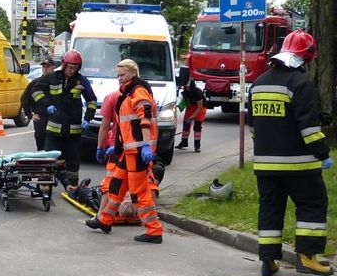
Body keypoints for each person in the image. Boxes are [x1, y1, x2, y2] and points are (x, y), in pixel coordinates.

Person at [247, 29, 333, 276]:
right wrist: (323, 153)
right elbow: (308, 130)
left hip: (265, 166)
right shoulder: (300, 83)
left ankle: (268, 260)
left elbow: (255, 125)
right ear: (307, 56)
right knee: (312, 204)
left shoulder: (258, 83)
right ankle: (308, 257)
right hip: (299, 166)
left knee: (270, 208)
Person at [86, 59, 163, 243]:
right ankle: (105, 220)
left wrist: (146, 145)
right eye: (118, 75)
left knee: (139, 193)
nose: (119, 78)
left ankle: (154, 231)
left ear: (133, 73)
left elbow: (145, 117)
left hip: (137, 152)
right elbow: (127, 125)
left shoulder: (138, 91)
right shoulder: (128, 92)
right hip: (128, 150)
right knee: (116, 186)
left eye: (123, 75)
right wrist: (119, 145)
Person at [31, 49, 97, 190]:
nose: (72, 71)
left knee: (73, 161)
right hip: (53, 130)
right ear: (64, 65)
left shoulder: (82, 81)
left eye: (75, 68)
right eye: (70, 67)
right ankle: (45, 186)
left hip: (74, 131)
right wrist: (47, 105)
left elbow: (91, 100)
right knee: (49, 159)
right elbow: (35, 91)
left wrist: (88, 118)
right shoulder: (52, 77)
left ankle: (72, 187)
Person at [20, 57, 56, 150]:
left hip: (55, 118)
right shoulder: (35, 83)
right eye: (44, 67)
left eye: (48, 66)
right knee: (41, 142)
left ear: (54, 67)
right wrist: (30, 115)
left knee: (54, 144)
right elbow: (24, 99)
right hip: (41, 118)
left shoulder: (58, 82)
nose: (45, 69)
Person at [176, 80, 206, 152]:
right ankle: (184, 142)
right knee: (186, 125)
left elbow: (200, 107)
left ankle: (197, 146)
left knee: (197, 127)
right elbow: (185, 101)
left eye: (187, 86)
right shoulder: (185, 91)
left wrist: (191, 117)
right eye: (185, 86)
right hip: (190, 107)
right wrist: (180, 106)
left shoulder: (198, 93)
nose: (186, 87)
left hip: (200, 108)